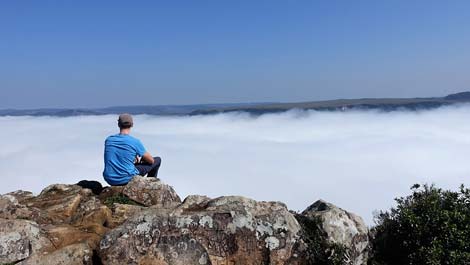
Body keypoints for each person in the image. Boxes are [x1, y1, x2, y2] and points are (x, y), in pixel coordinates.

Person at [103, 113, 161, 186]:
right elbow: (151, 160)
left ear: (118, 124)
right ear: (132, 125)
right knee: (157, 160)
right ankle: (150, 185)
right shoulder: (135, 142)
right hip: (126, 178)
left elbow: (118, 154)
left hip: (110, 178)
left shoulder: (109, 140)